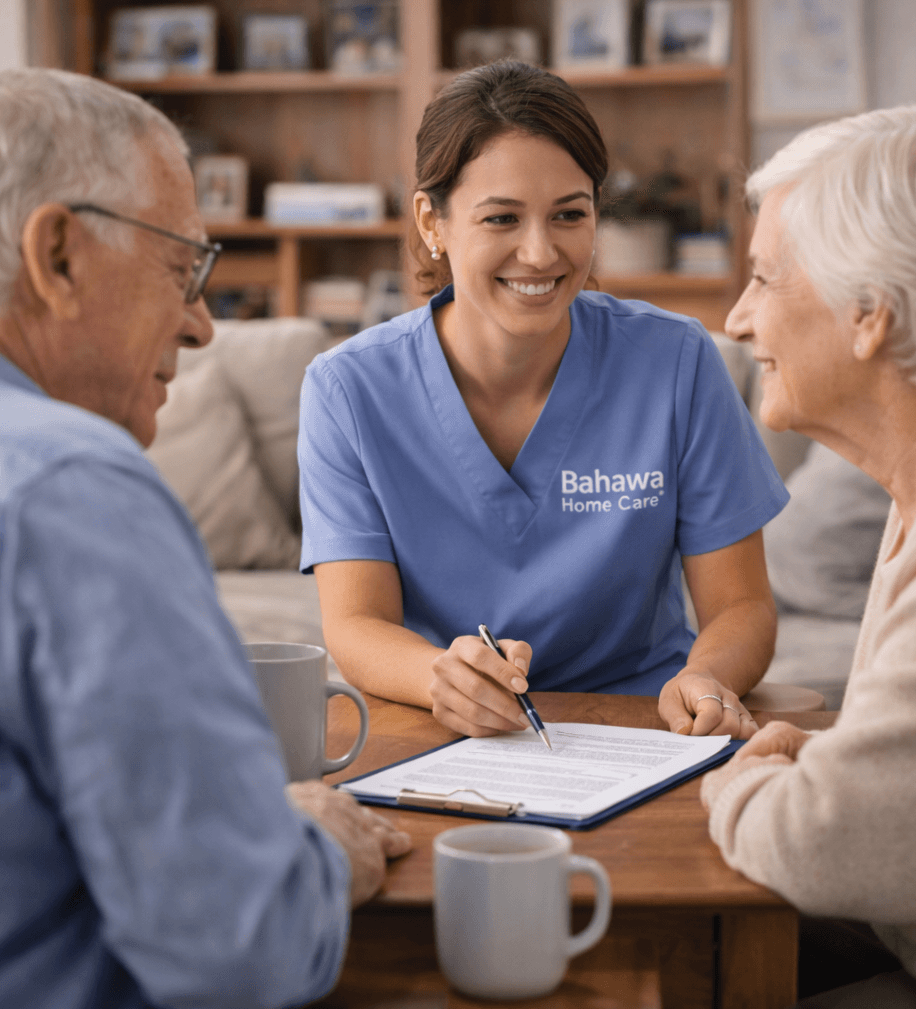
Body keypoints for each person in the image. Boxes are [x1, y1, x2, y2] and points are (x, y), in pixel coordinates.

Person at [0, 68, 409, 1009]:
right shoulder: (73, 489)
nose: (202, 324)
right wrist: (315, 846)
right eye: (182, 269)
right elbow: (243, 948)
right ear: (57, 256)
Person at [299, 60, 788, 741]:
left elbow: (741, 606)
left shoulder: (676, 362)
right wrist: (441, 677)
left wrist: (704, 678)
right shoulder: (347, 389)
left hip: (649, 730)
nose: (540, 252)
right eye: (502, 218)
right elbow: (356, 624)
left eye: (569, 215)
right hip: (446, 732)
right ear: (432, 222)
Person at [700, 105, 916, 1008]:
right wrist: (840, 752)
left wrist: (753, 776)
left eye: (764, 279)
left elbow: (827, 846)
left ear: (870, 312)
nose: (737, 317)